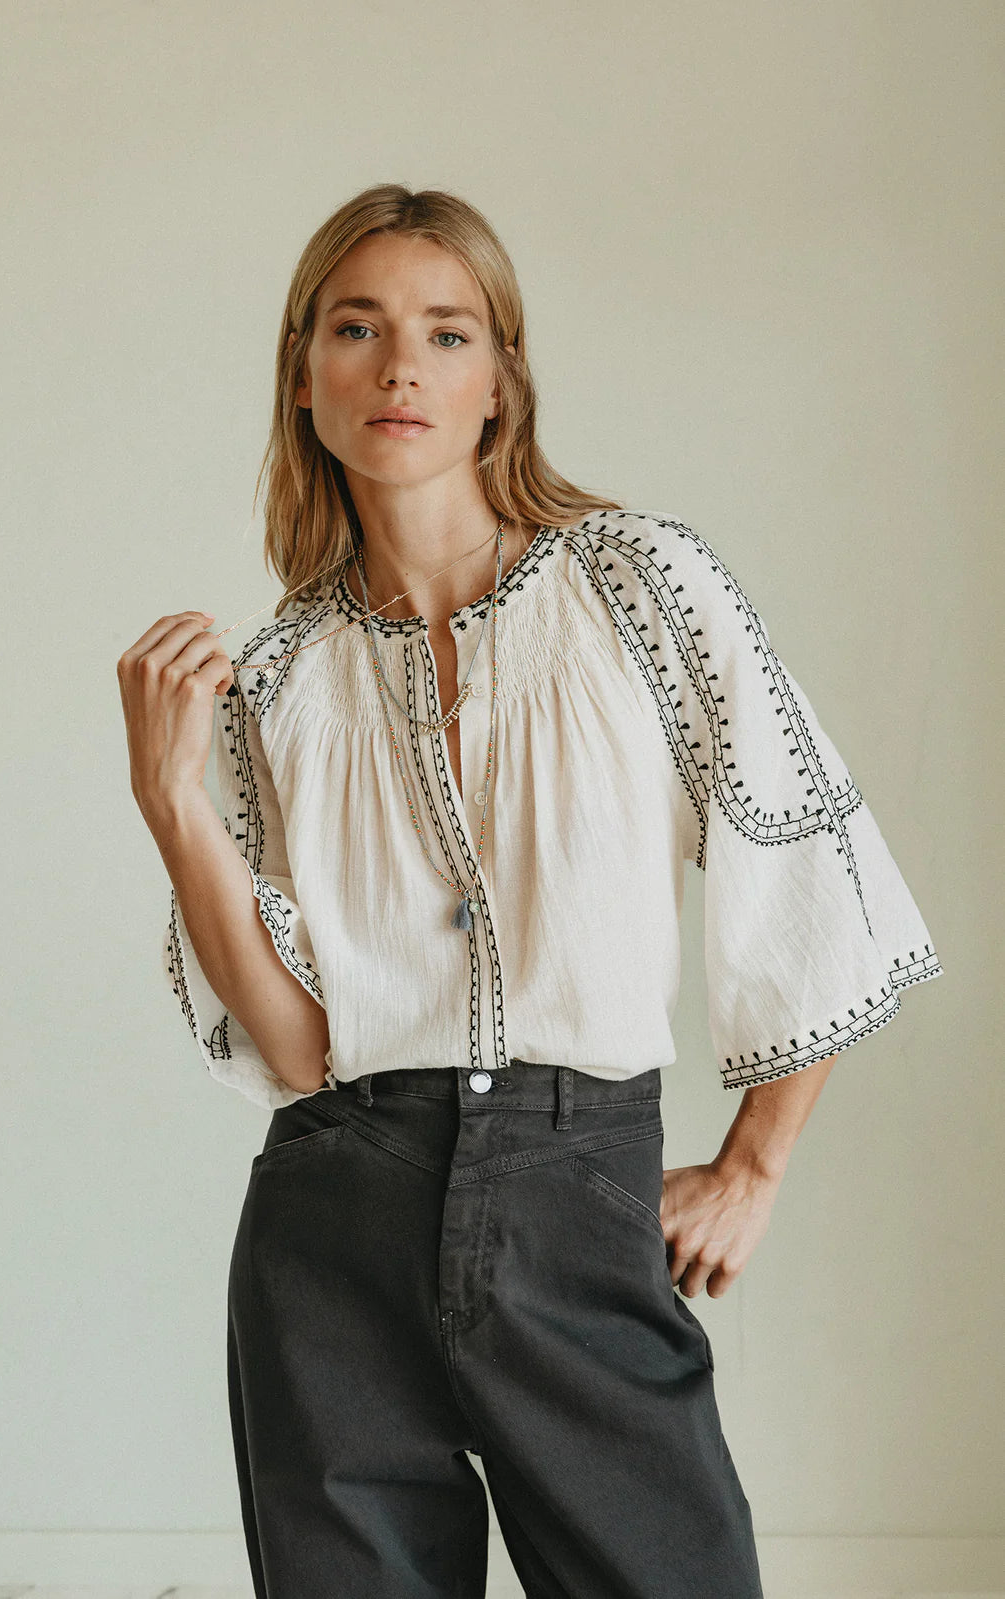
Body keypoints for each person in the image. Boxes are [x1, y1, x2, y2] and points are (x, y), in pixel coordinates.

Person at [117, 184, 943, 1599]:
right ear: (302, 377)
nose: (399, 368)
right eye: (356, 328)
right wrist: (170, 800)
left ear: (499, 384)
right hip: (334, 1212)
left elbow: (808, 853)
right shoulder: (277, 682)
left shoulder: (639, 587)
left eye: (446, 333)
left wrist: (751, 1165)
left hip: (574, 1176)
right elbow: (301, 1052)